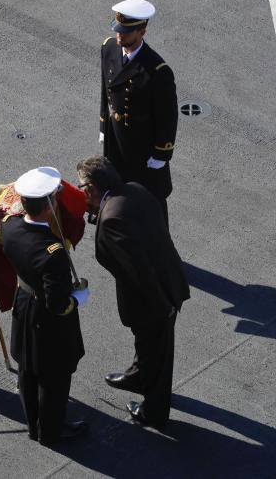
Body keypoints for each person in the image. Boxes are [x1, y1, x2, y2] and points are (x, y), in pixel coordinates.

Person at [76, 155, 189, 428]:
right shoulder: (134, 190)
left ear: (92, 189)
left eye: (81, 186)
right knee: (147, 345)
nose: (79, 190)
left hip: (154, 301)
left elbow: (140, 273)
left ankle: (154, 411)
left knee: (158, 354)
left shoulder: (112, 220)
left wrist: (162, 307)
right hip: (168, 280)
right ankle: (138, 375)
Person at [1, 167, 88, 446]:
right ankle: (50, 431)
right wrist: (77, 300)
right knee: (53, 376)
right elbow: (57, 303)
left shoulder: (10, 227)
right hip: (46, 317)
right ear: (49, 205)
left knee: (28, 369)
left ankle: (33, 424)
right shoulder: (53, 253)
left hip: (24, 304)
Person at [99, 0, 178, 225]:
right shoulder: (109, 49)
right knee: (117, 191)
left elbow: (167, 117)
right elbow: (106, 90)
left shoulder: (157, 70)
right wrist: (104, 125)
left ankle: (160, 244)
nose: (119, 36)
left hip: (142, 148)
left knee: (151, 202)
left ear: (142, 32)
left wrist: (161, 154)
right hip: (116, 140)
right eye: (118, 30)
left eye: (126, 32)